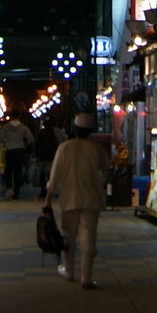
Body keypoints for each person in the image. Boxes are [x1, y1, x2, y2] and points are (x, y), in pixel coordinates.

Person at [47, 113, 107, 289]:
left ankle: (69, 271)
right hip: (91, 199)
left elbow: (54, 176)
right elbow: (105, 172)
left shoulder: (64, 148)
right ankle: (86, 278)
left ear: (74, 129)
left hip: (69, 199)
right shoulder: (96, 149)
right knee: (88, 238)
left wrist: (48, 201)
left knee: (69, 237)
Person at [0, 115, 33, 198]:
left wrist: (6, 141)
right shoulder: (24, 127)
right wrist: (24, 144)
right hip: (20, 150)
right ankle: (16, 192)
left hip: (9, 150)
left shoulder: (5, 127)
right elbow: (31, 139)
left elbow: (1, 138)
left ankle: (9, 188)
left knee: (8, 170)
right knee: (18, 171)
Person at [32, 119, 58, 196]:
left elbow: (37, 144)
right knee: (51, 174)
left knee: (42, 174)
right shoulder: (54, 133)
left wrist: (36, 154)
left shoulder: (41, 133)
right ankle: (51, 190)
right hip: (52, 156)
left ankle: (43, 190)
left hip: (42, 156)